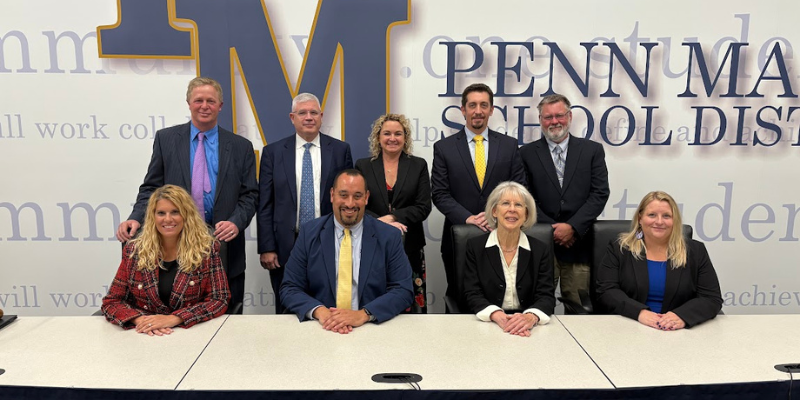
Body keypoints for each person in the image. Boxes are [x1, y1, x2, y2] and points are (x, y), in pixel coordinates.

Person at [115, 77, 257, 314]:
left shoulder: (241, 146)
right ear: (188, 103)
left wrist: (236, 222)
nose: (204, 106)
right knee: (176, 317)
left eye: (210, 101)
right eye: (198, 100)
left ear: (220, 105)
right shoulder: (166, 139)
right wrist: (136, 217)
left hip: (224, 246)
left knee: (227, 317)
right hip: (174, 246)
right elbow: (151, 187)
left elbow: (250, 194)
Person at [280, 169, 413, 333]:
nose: (350, 203)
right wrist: (321, 312)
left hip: (371, 329)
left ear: (366, 198)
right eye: (343, 195)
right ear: (332, 195)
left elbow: (403, 290)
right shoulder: (309, 233)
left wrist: (363, 314)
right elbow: (290, 288)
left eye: (357, 196)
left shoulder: (388, 236)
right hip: (322, 328)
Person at [257, 93, 353, 314]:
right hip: (285, 246)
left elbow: (348, 200)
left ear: (321, 116)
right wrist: (267, 247)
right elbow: (265, 203)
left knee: (329, 306)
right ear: (292, 117)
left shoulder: (340, 150)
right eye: (302, 113)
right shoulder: (273, 153)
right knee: (287, 307)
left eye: (313, 113)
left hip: (330, 240)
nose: (308, 117)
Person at [431, 83, 526, 303]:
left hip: (503, 235)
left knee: (501, 298)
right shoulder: (444, 148)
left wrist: (493, 215)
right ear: (463, 109)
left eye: (484, 105)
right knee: (459, 297)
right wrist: (467, 218)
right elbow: (440, 193)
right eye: (472, 105)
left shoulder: (509, 146)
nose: (478, 111)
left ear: (492, 110)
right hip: (458, 236)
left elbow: (518, 188)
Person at [519, 94, 609, 308]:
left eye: (559, 115)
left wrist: (573, 227)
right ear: (540, 120)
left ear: (569, 116)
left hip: (579, 243)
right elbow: (524, 196)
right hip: (540, 243)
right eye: (548, 117)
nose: (554, 121)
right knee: (535, 307)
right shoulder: (526, 153)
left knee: (579, 307)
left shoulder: (591, 151)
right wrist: (552, 229)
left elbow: (599, 193)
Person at [103, 185, 230, 335]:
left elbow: (219, 299)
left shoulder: (206, 250)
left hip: (191, 333)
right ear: (153, 216)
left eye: (175, 212)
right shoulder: (134, 251)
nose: (168, 219)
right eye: (161, 213)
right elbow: (112, 301)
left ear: (186, 215)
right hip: (142, 335)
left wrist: (174, 318)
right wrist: (141, 320)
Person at [596, 191, 723, 330]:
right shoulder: (620, 248)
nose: (659, 221)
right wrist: (640, 313)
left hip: (677, 331)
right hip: (630, 326)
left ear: (674, 220)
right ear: (640, 218)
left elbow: (711, 298)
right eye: (652, 215)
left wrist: (681, 316)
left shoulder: (695, 251)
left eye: (666, 216)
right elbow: (606, 291)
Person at [355, 114, 431, 313]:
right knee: (375, 303)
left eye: (398, 133)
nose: (392, 138)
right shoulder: (363, 166)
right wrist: (380, 223)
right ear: (378, 137)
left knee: (411, 305)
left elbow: (423, 207)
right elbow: (357, 205)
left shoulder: (418, 165)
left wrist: (392, 218)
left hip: (410, 247)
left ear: (405, 138)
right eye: (387, 133)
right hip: (372, 243)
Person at [462, 182, 555, 336]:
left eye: (518, 205)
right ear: (494, 211)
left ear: (526, 214)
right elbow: (472, 292)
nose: (512, 209)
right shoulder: (475, 247)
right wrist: (496, 314)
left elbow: (546, 295)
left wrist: (530, 317)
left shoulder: (540, 249)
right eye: (505, 203)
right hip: (487, 325)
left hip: (528, 327)